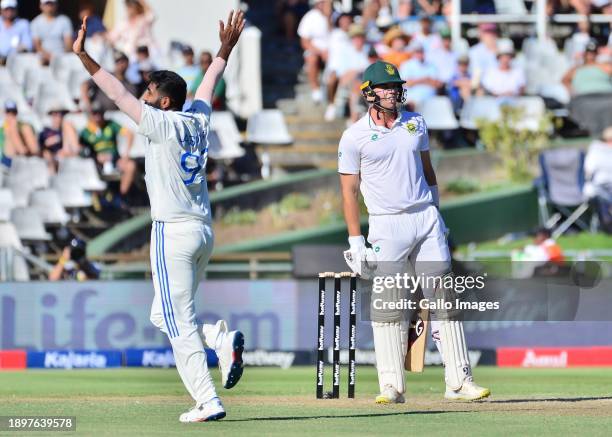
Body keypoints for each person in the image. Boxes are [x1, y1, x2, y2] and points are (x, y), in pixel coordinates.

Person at [73, 10, 246, 422]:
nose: (143, 94)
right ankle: (219, 340)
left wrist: (83, 56)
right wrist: (225, 48)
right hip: (203, 230)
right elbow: (209, 83)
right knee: (163, 314)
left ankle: (207, 400)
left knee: (178, 321)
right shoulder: (198, 119)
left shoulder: (161, 123)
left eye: (149, 91)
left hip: (172, 232)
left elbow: (117, 95)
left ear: (164, 101)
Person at [338, 60, 490, 403]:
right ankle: (391, 386)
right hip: (386, 223)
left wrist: (437, 211)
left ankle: (459, 381)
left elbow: (428, 170)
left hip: (425, 218)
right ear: (368, 93)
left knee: (444, 299)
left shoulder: (416, 123)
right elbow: (348, 191)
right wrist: (355, 240)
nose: (393, 92)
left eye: (396, 86)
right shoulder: (353, 137)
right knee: (390, 303)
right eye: (386, 87)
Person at [79, 104, 136, 196]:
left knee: (130, 166)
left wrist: (126, 155)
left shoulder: (111, 124)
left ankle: (122, 195)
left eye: (99, 113)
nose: (97, 116)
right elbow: (80, 149)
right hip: (97, 164)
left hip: (114, 159)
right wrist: (95, 157)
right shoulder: (86, 131)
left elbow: (129, 134)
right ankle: (99, 198)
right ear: (90, 115)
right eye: (94, 114)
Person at [297, 0, 332, 103]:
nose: (324, 5)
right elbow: (304, 42)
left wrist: (328, 17)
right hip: (315, 51)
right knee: (311, 59)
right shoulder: (309, 17)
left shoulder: (332, 16)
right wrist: (321, 52)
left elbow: (334, 34)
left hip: (331, 51)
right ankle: (315, 89)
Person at [399, 41, 442, 109]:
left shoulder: (431, 65)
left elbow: (437, 84)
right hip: (412, 99)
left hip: (430, 99)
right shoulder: (406, 65)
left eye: (421, 51)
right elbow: (405, 83)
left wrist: (415, 81)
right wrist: (425, 80)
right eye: (417, 51)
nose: (420, 53)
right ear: (413, 52)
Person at [38, 104, 78, 172]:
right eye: (55, 114)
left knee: (67, 125)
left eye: (62, 114)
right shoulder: (45, 131)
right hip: (52, 158)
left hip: (67, 155)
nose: (59, 117)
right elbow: (42, 146)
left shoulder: (66, 129)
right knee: (47, 155)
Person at [30, 0, 72, 64]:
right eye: (46, 4)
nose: (49, 7)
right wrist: (48, 56)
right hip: (44, 58)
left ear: (56, 5)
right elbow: (37, 45)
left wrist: (61, 56)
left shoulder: (64, 20)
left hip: (62, 56)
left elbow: (68, 43)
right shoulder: (35, 22)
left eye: (51, 4)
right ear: (41, 6)